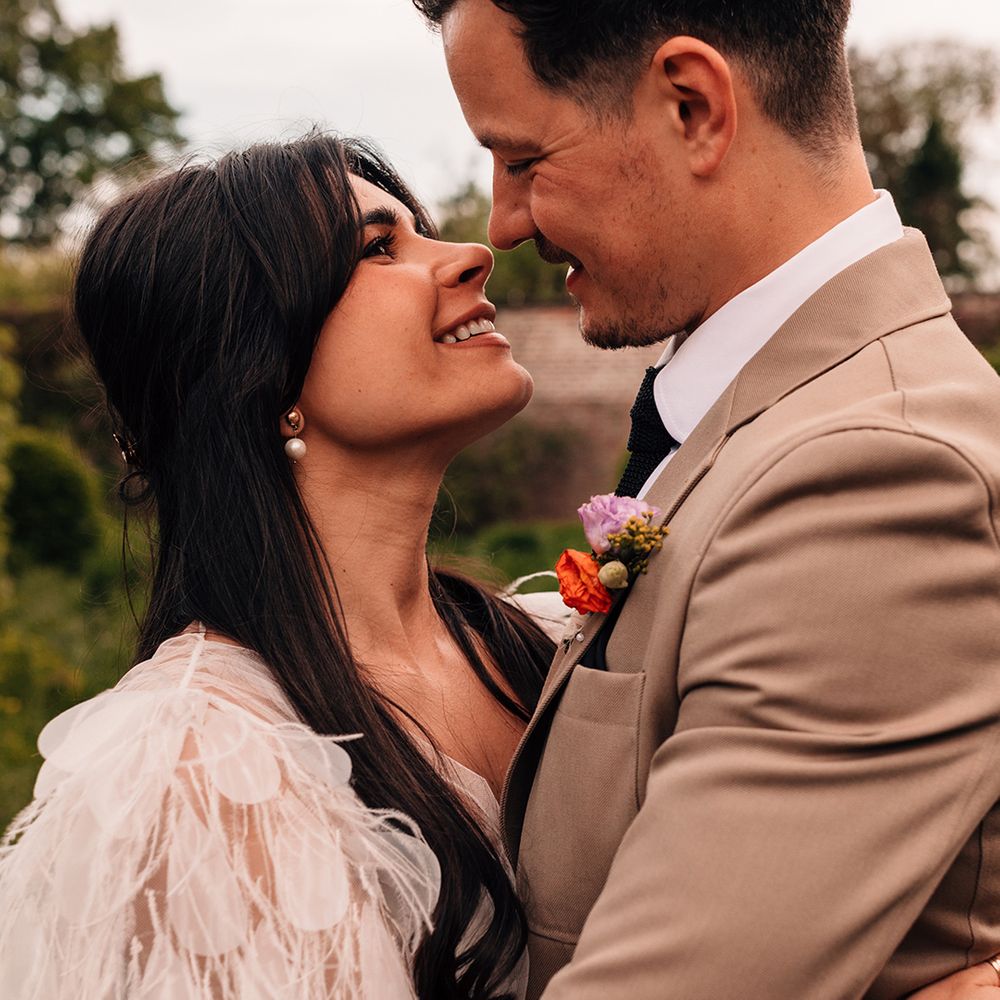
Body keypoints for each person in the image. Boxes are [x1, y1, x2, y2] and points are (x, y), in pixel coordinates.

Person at [410, 0, 1000, 997]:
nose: (500, 225)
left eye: (519, 160)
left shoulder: (871, 477)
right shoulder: (761, 425)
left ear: (692, 107)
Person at [0, 133, 568, 1000]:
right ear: (260, 371)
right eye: (380, 247)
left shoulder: (555, 641)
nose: (472, 254)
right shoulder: (197, 771)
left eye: (421, 230)